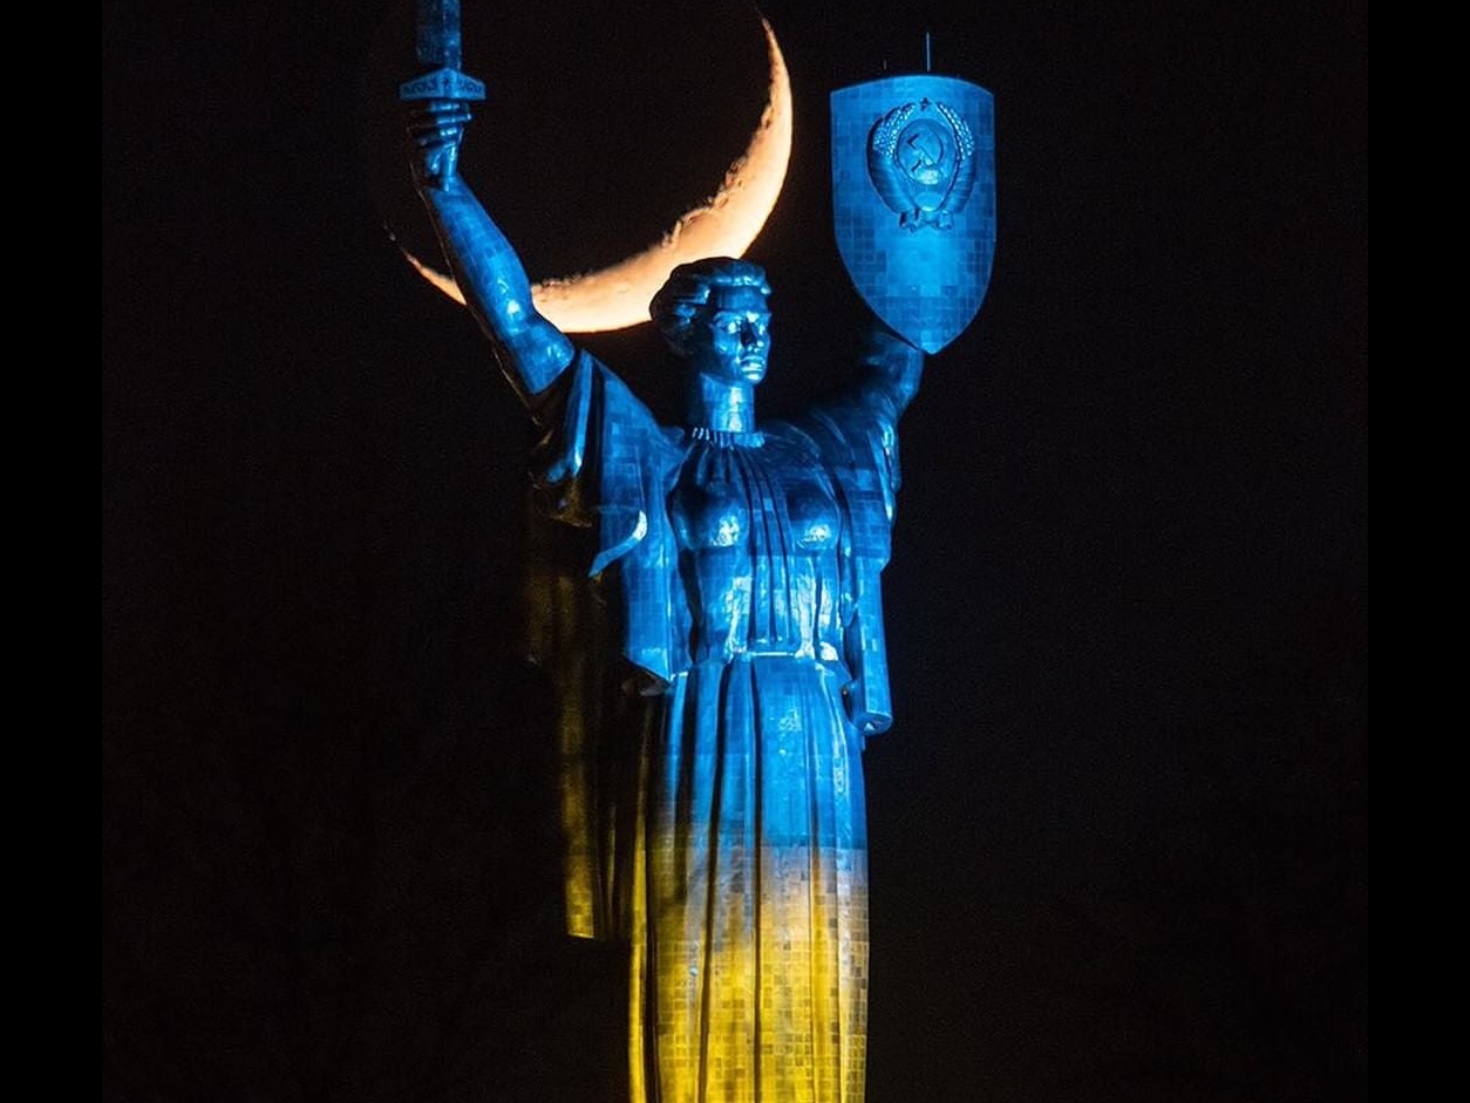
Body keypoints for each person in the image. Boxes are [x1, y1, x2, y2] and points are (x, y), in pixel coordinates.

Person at [406, 99, 925, 1103]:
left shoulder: (822, 449)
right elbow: (517, 327)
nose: (756, 328)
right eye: (733, 312)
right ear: (685, 333)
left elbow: (896, 359)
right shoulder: (644, 453)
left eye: (765, 313)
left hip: (816, 732)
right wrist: (443, 186)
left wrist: (910, 199)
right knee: (707, 953)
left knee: (810, 969)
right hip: (702, 726)